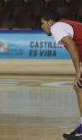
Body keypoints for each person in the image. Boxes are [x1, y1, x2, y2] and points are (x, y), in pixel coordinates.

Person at [41, 10, 82, 140]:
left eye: (42, 23)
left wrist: (78, 72)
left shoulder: (57, 26)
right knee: (79, 88)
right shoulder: (65, 24)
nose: (41, 27)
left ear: (50, 22)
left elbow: (72, 46)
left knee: (80, 86)